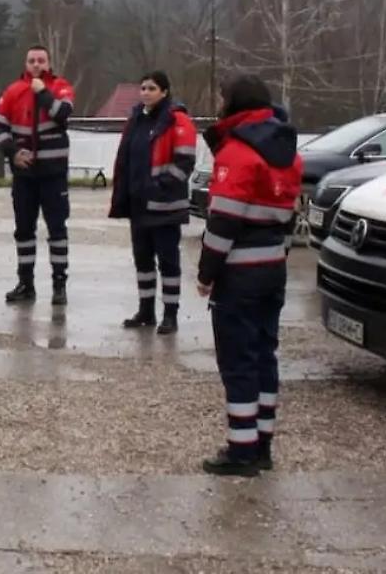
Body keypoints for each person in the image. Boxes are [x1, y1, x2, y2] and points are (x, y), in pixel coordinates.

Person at [196, 75, 303, 477]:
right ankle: (262, 445)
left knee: (238, 362)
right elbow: (290, 216)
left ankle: (240, 451)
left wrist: (207, 273)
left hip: (239, 275)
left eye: (222, 99)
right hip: (272, 269)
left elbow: (223, 222)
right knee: (263, 357)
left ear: (234, 104)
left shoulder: (238, 152)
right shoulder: (288, 152)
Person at [108, 71, 197, 335]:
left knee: (168, 263)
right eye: (143, 88)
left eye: (152, 88)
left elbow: (185, 163)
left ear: (165, 92)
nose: (145, 92)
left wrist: (160, 187)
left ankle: (170, 314)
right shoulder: (136, 119)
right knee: (143, 261)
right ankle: (146, 311)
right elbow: (126, 158)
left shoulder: (177, 120)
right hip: (139, 205)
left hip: (165, 207)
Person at [0, 45, 76, 305]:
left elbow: (63, 113)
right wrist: (12, 152)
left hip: (53, 173)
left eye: (41, 60)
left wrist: (43, 93)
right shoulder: (13, 90)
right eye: (31, 61)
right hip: (24, 175)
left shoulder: (61, 87)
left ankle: (59, 285)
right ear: (25, 64)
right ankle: (25, 283)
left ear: (48, 63)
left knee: (57, 230)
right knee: (24, 230)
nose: (36, 64)